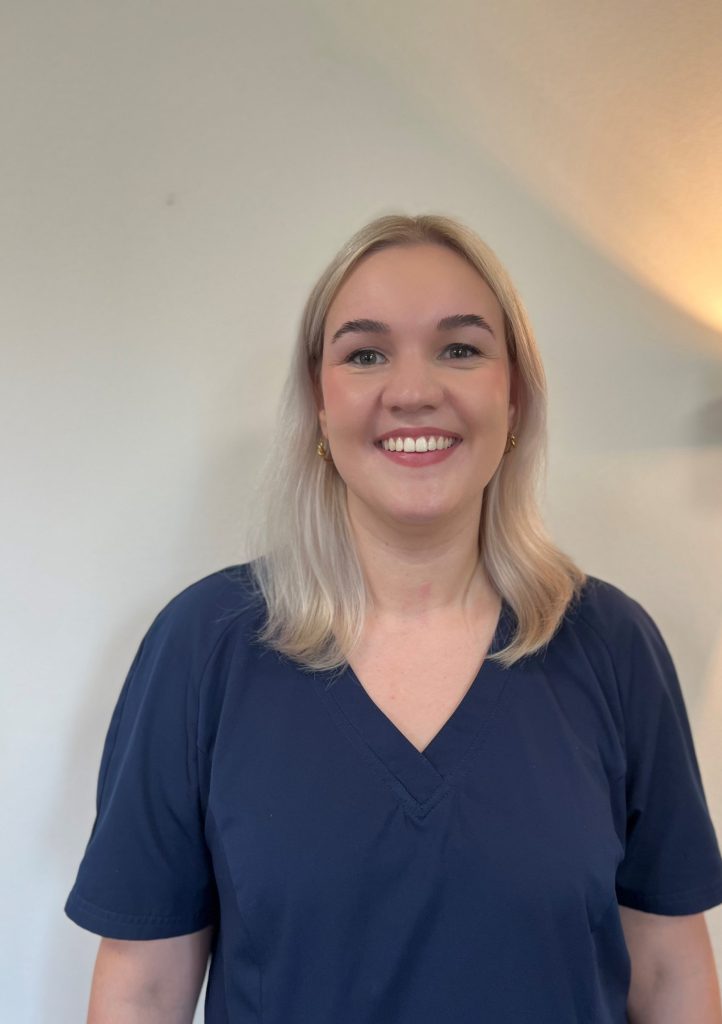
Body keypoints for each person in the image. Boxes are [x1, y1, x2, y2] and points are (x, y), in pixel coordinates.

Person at [65, 213, 722, 1023]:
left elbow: (669, 974)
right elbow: (144, 990)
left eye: (461, 349)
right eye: (366, 354)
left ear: (514, 395)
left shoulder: (612, 645)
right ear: (320, 401)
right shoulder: (203, 647)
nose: (413, 392)